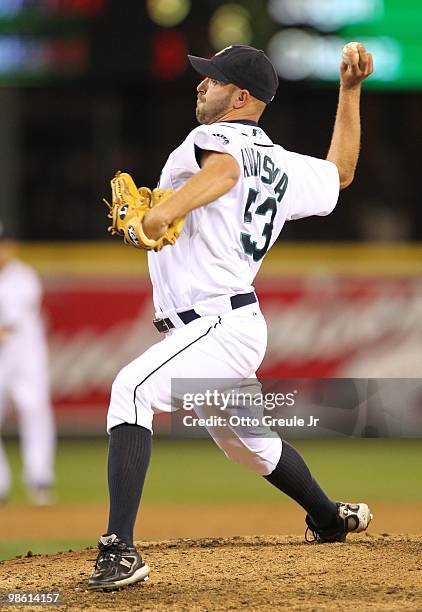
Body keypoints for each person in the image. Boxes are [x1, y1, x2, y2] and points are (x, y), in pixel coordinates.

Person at [88, 44, 374, 591]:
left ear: (241, 96)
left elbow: (222, 172)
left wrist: (162, 212)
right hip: (230, 326)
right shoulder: (284, 164)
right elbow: (339, 173)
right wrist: (350, 92)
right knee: (253, 447)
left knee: (130, 390)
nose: (202, 84)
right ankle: (329, 517)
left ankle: (119, 552)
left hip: (215, 324)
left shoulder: (212, 140)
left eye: (213, 78)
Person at [0, 221, 56, 505]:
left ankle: (39, 477)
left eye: (4, 242)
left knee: (34, 410)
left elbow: (7, 327)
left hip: (24, 352)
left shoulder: (24, 277)